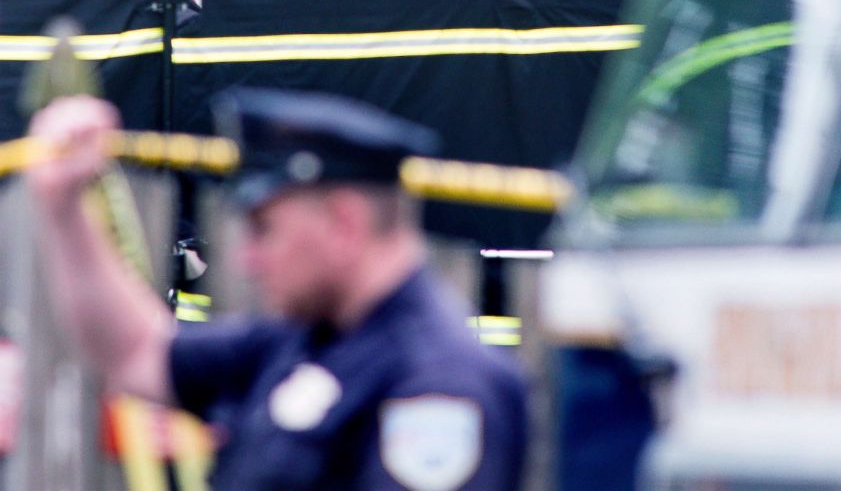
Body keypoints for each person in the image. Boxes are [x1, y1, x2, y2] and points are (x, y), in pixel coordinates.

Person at [26, 88, 528, 490]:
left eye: (265, 229)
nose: (247, 258)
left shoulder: (440, 384)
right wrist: (64, 209)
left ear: (343, 222)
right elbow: (136, 351)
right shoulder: (302, 338)